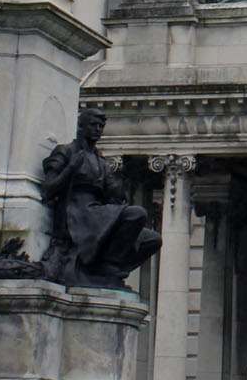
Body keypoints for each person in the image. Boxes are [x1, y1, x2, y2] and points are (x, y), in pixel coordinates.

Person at [41, 108, 162, 289]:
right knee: (137, 214)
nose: (98, 129)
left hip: (97, 213)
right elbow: (48, 189)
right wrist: (71, 168)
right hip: (77, 214)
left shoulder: (100, 160)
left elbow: (113, 193)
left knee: (152, 240)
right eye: (93, 125)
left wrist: (117, 191)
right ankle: (108, 266)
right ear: (81, 127)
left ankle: (108, 269)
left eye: (100, 126)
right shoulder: (65, 151)